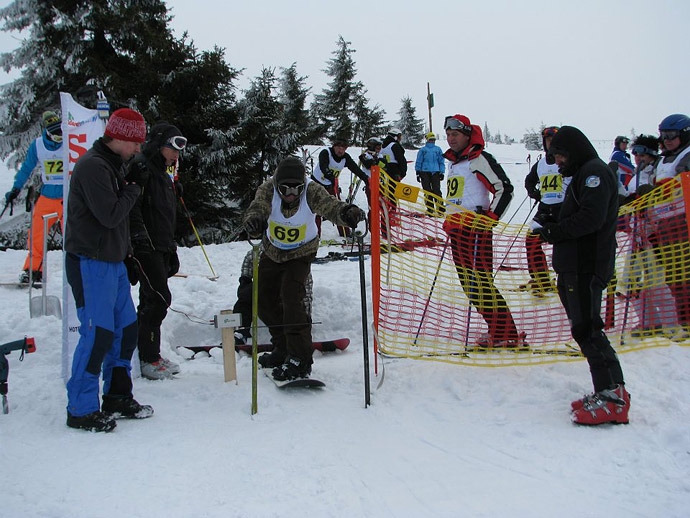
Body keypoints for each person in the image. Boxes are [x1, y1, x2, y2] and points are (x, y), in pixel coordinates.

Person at [64, 108, 153, 432]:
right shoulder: (92, 167)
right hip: (90, 263)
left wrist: (126, 255)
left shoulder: (114, 166)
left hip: (112, 262)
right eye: (135, 143)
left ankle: (117, 394)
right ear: (119, 137)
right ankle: (81, 408)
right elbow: (110, 214)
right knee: (98, 334)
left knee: (126, 329)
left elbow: (117, 223)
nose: (138, 150)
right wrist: (133, 189)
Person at [536, 125, 630, 425]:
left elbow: (592, 217)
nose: (558, 162)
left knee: (588, 330)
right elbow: (581, 210)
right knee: (586, 330)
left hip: (585, 266)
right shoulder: (583, 174)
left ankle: (612, 398)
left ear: (574, 151)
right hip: (575, 265)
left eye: (561, 155)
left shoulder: (594, 173)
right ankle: (608, 392)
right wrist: (556, 217)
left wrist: (555, 231)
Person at [243, 156, 365, 381]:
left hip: (301, 251)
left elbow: (330, 206)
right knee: (263, 300)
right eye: (285, 189)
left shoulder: (311, 191)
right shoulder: (268, 189)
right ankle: (282, 348)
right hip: (273, 251)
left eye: (296, 188)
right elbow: (257, 207)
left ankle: (301, 358)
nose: (290, 194)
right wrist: (255, 222)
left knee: (292, 298)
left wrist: (346, 213)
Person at [442, 114, 524, 348]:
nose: (450, 139)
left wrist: (489, 219)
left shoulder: (479, 159)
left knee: (481, 284)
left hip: (475, 231)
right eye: (448, 134)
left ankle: (505, 332)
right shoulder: (455, 163)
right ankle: (498, 330)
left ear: (467, 135)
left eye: (455, 134)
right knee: (469, 285)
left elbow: (504, 188)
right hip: (457, 231)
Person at [128, 122, 187, 380]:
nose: (176, 155)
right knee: (159, 299)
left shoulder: (163, 172)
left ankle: (151, 354)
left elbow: (165, 214)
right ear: (159, 144)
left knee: (151, 299)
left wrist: (170, 247)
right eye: (172, 148)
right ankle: (147, 358)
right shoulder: (143, 168)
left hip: (161, 245)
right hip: (146, 246)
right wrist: (140, 239)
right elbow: (133, 207)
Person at [4, 111, 64, 284]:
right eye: (56, 136)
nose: (60, 138)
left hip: (68, 197)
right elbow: (26, 169)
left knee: (73, 236)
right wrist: (16, 189)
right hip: (47, 197)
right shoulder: (38, 145)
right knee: (36, 234)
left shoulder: (70, 141)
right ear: (48, 133)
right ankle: (33, 270)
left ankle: (76, 270)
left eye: (62, 134)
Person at [646, 114, 690, 338]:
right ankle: (683, 321)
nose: (667, 140)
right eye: (664, 136)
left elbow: (680, 180)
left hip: (683, 222)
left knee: (684, 273)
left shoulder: (687, 155)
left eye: (672, 135)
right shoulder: (662, 160)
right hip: (664, 224)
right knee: (673, 275)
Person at [232, 245, 313, 346]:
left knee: (292, 302)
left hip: (286, 291)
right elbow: (245, 279)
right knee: (246, 297)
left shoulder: (297, 262)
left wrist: (305, 319)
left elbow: (305, 293)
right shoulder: (254, 254)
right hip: (264, 290)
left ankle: (291, 335)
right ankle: (240, 331)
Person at [521, 126, 568, 295]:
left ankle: (566, 276)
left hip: (563, 208)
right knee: (531, 239)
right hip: (545, 208)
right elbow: (529, 181)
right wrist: (533, 192)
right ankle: (540, 279)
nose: (551, 144)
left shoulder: (566, 160)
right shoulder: (540, 164)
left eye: (554, 141)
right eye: (548, 141)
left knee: (563, 242)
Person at [311, 136, 368, 237]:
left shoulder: (345, 158)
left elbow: (356, 169)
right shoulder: (326, 153)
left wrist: (366, 179)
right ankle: (315, 235)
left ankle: (345, 234)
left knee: (339, 209)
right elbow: (323, 167)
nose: (340, 150)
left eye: (343, 148)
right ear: (334, 147)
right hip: (316, 184)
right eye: (338, 147)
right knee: (316, 211)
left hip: (330, 186)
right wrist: (330, 176)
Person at [415, 131, 446, 216]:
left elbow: (441, 161)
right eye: (431, 140)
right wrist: (418, 172)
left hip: (433, 172)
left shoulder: (437, 149)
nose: (432, 141)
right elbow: (419, 161)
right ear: (428, 140)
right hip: (426, 172)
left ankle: (437, 209)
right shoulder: (423, 150)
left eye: (433, 140)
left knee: (434, 191)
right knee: (430, 191)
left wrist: (442, 172)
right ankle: (432, 209)